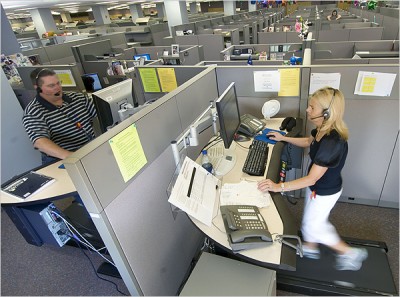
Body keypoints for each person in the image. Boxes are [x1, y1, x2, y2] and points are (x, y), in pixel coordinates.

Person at [257, 87, 368, 271]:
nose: (308, 110)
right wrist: (283, 138)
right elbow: (308, 142)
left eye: (312, 107)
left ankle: (350, 253)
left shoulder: (332, 142)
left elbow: (311, 179)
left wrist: (278, 187)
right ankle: (310, 247)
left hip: (324, 191)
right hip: (318, 188)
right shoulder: (322, 129)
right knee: (310, 221)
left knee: (315, 225)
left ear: (326, 113)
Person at [23, 68, 97, 165]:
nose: (57, 88)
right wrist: (71, 157)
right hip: (61, 159)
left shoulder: (76, 97)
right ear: (38, 88)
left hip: (88, 150)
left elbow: (101, 112)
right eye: (51, 85)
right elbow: (40, 142)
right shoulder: (34, 112)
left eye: (58, 83)